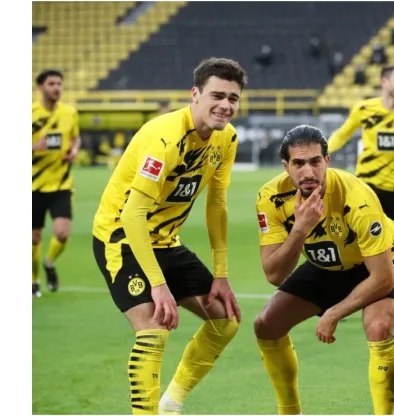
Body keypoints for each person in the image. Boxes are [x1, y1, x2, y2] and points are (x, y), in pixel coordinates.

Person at [91, 57, 247, 415]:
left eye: (233, 98)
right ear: (195, 94)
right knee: (153, 328)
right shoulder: (164, 138)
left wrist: (220, 273)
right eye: (217, 95)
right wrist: (158, 285)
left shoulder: (226, 139)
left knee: (225, 322)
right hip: (122, 237)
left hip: (165, 241)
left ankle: (170, 404)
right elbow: (132, 215)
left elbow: (217, 204)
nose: (225, 105)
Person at [253, 124, 394, 415]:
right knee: (266, 325)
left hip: (376, 262)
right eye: (298, 164)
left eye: (315, 161)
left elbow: (382, 277)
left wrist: (334, 312)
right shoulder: (271, 198)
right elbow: (274, 274)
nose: (308, 172)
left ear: (327, 161)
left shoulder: (358, 198)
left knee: (378, 326)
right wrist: (300, 229)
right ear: (286, 166)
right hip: (326, 264)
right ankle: (290, 412)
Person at [326, 65, 394, 228]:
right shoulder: (364, 109)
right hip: (365, 184)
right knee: (359, 235)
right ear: (384, 82)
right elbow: (342, 134)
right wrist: (324, 150)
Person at [32, 69, 81, 297]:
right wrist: (34, 147)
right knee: (33, 237)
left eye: (59, 83)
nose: (57, 88)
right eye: (52, 83)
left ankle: (49, 262)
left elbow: (75, 137)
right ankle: (33, 281)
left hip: (61, 184)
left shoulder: (69, 113)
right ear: (40, 87)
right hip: (32, 186)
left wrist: (74, 149)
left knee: (61, 234)